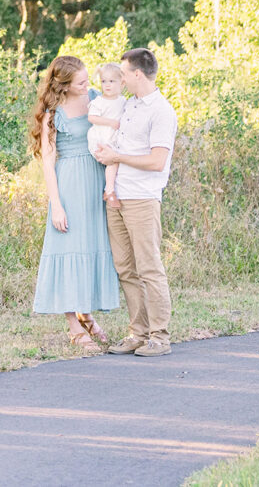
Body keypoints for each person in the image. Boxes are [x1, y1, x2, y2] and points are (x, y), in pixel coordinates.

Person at [27, 55, 121, 350]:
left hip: (95, 179)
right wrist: (56, 203)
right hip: (68, 183)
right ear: (64, 85)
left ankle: (87, 314)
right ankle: (73, 325)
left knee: (91, 246)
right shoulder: (53, 113)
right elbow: (48, 161)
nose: (88, 85)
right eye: (81, 82)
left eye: (87, 79)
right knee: (68, 248)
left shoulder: (94, 98)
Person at [97, 46, 178, 357]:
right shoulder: (129, 106)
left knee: (149, 268)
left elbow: (158, 161)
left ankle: (160, 337)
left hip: (143, 199)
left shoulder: (162, 111)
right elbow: (118, 143)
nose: (120, 79)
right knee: (126, 269)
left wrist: (117, 156)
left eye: (124, 74)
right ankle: (137, 333)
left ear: (137, 74)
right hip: (117, 195)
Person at [85, 61, 126, 160]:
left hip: (116, 137)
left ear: (122, 83)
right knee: (112, 162)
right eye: (104, 81)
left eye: (111, 81)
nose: (107, 85)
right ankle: (110, 176)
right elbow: (91, 117)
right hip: (102, 138)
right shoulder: (99, 101)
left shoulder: (123, 100)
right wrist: (110, 122)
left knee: (119, 161)